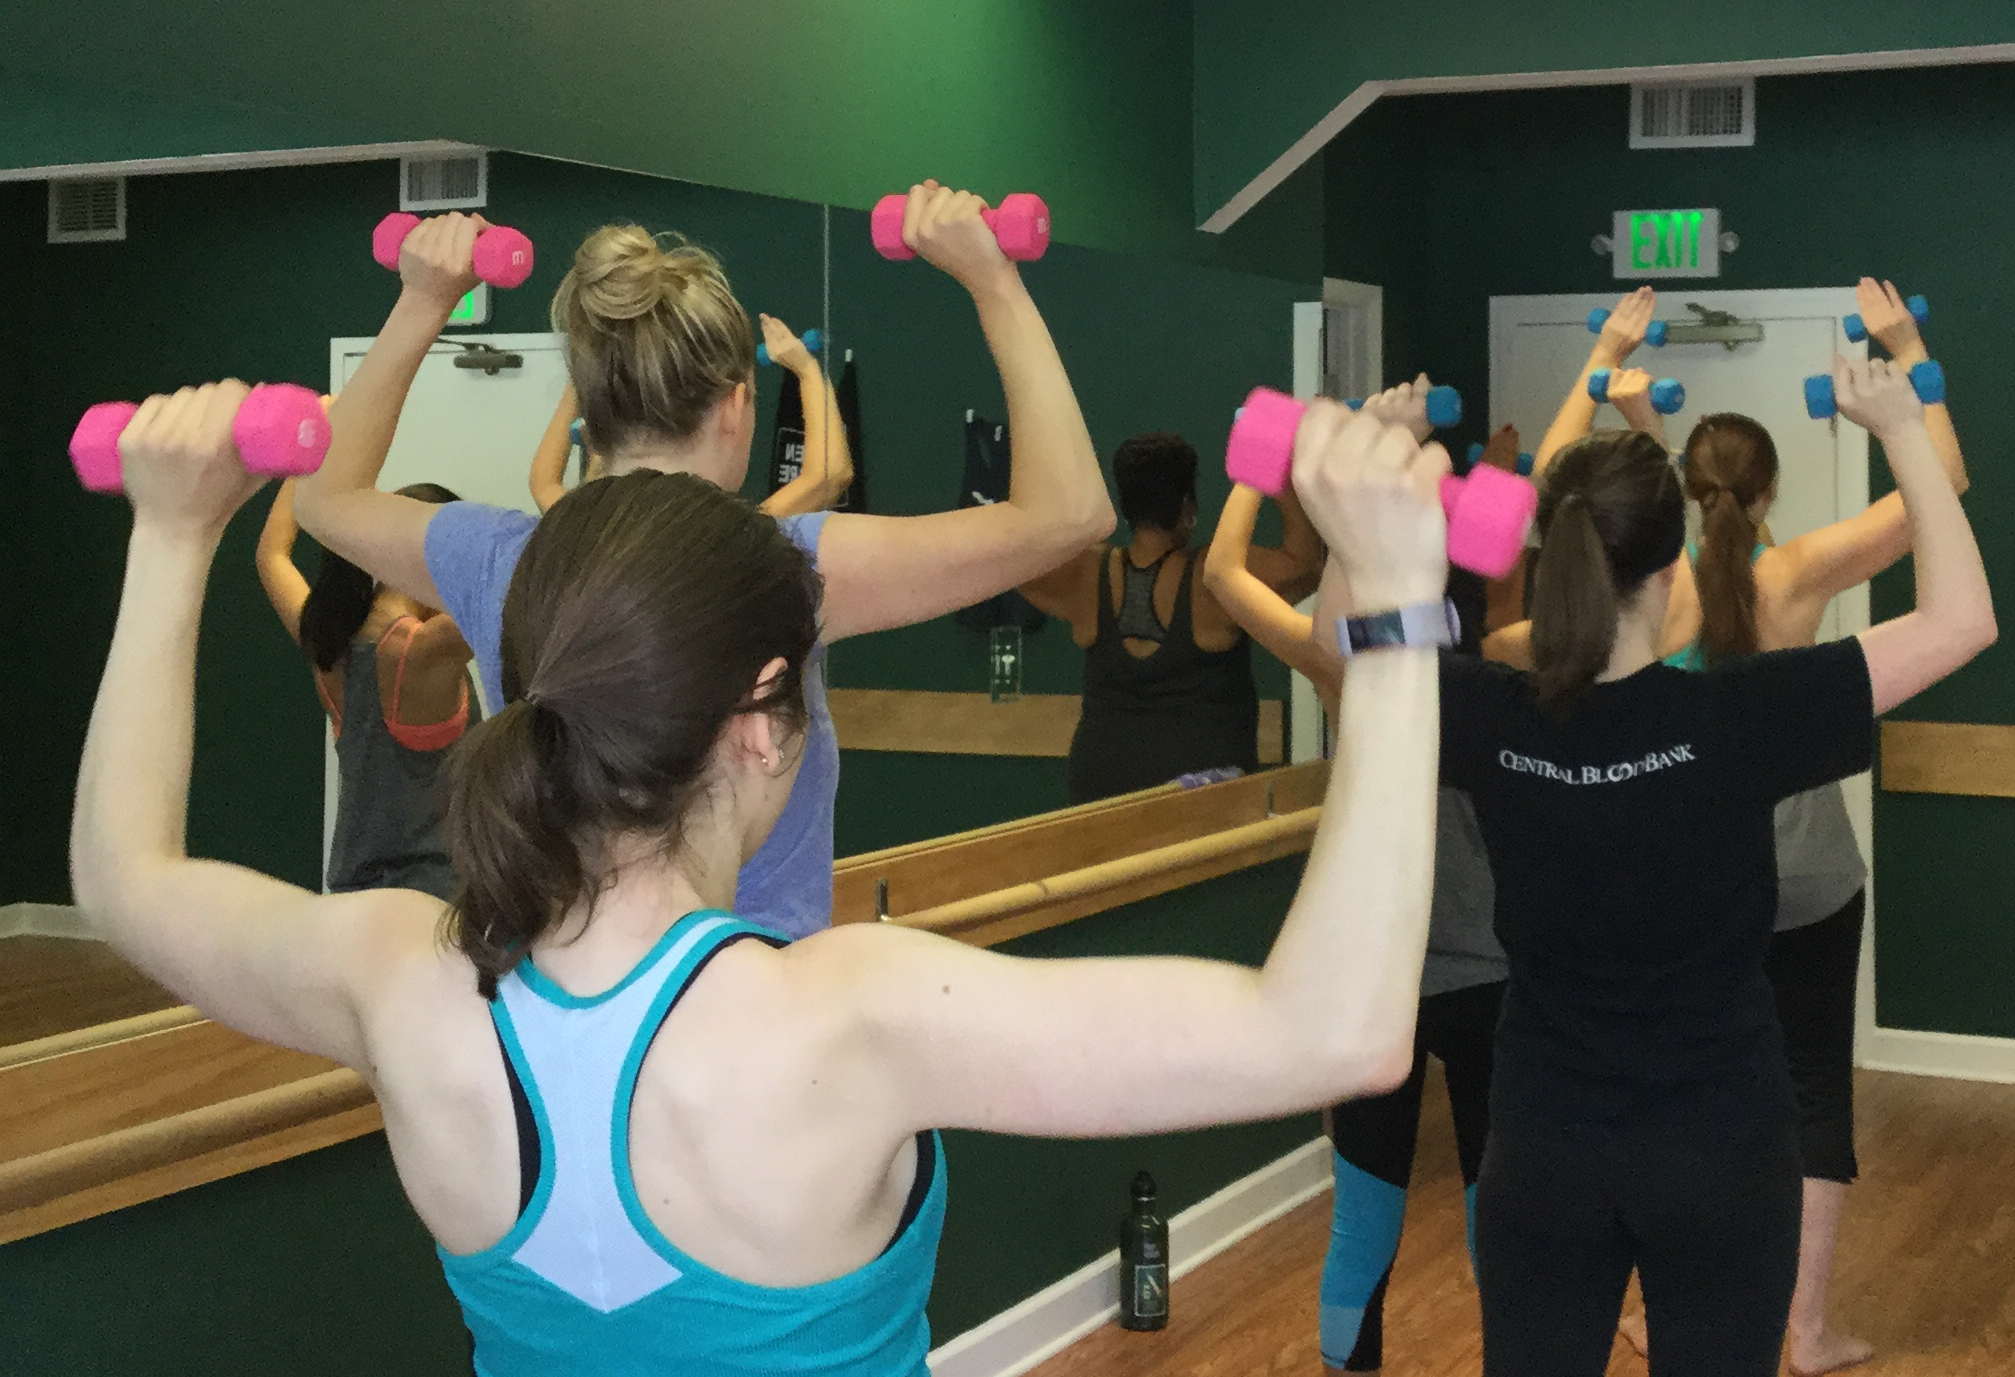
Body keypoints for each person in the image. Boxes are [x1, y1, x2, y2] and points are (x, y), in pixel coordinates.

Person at [72, 381, 1449, 1377]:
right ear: (764, 715)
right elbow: (1338, 1030)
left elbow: (125, 877)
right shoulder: (846, 1017)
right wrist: (1391, 608)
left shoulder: (403, 977)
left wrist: (170, 533)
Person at [294, 186, 1115, 939]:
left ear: (594, 410)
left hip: (558, 1019)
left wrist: (423, 299)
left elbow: (324, 502)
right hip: (744, 1019)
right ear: (735, 406)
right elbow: (1072, 513)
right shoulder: (789, 563)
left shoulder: (502, 559)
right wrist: (990, 278)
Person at [1418, 354, 1994, 1377]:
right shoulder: (1742, 715)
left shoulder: (1486, 707)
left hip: (1548, 1152)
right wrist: (1903, 424)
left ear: (1552, 553)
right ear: (1677, 552)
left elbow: (1365, 642)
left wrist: (1388, 491)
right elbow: (1963, 623)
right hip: (1722, 1149)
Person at [1565, 280, 1971, 1374]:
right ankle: (1804, 1328)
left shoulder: (1661, 586)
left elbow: (1648, 507)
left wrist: (1625, 394)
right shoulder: (1793, 571)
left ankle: (1662, 1307)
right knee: (1810, 1097)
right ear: (1771, 487)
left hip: (1692, 881)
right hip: (1809, 882)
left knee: (1687, 1092)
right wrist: (1905, 349)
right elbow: (1947, 479)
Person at [1203, 392, 1504, 1371]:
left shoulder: (1347, 669)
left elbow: (1221, 573)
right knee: (1497, 1218)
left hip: (1376, 976)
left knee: (1363, 1217)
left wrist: (1285, 464)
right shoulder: (1513, 667)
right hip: (1492, 976)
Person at [1020, 430, 1322, 802]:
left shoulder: (1085, 575)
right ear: (1187, 507)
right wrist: (1276, 459)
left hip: (1099, 789)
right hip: (1202, 797)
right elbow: (1305, 567)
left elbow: (1007, 564)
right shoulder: (1215, 578)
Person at [253, 476, 478, 899]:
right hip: (434, 903)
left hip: (352, 895)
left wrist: (312, 456)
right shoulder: (428, 647)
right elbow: (521, 587)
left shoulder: (327, 643)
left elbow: (271, 553)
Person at [529, 312, 853, 518]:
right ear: (734, 407)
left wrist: (586, 375)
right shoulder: (725, 542)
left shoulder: (577, 528)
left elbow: (543, 482)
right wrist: (807, 370)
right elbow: (830, 474)